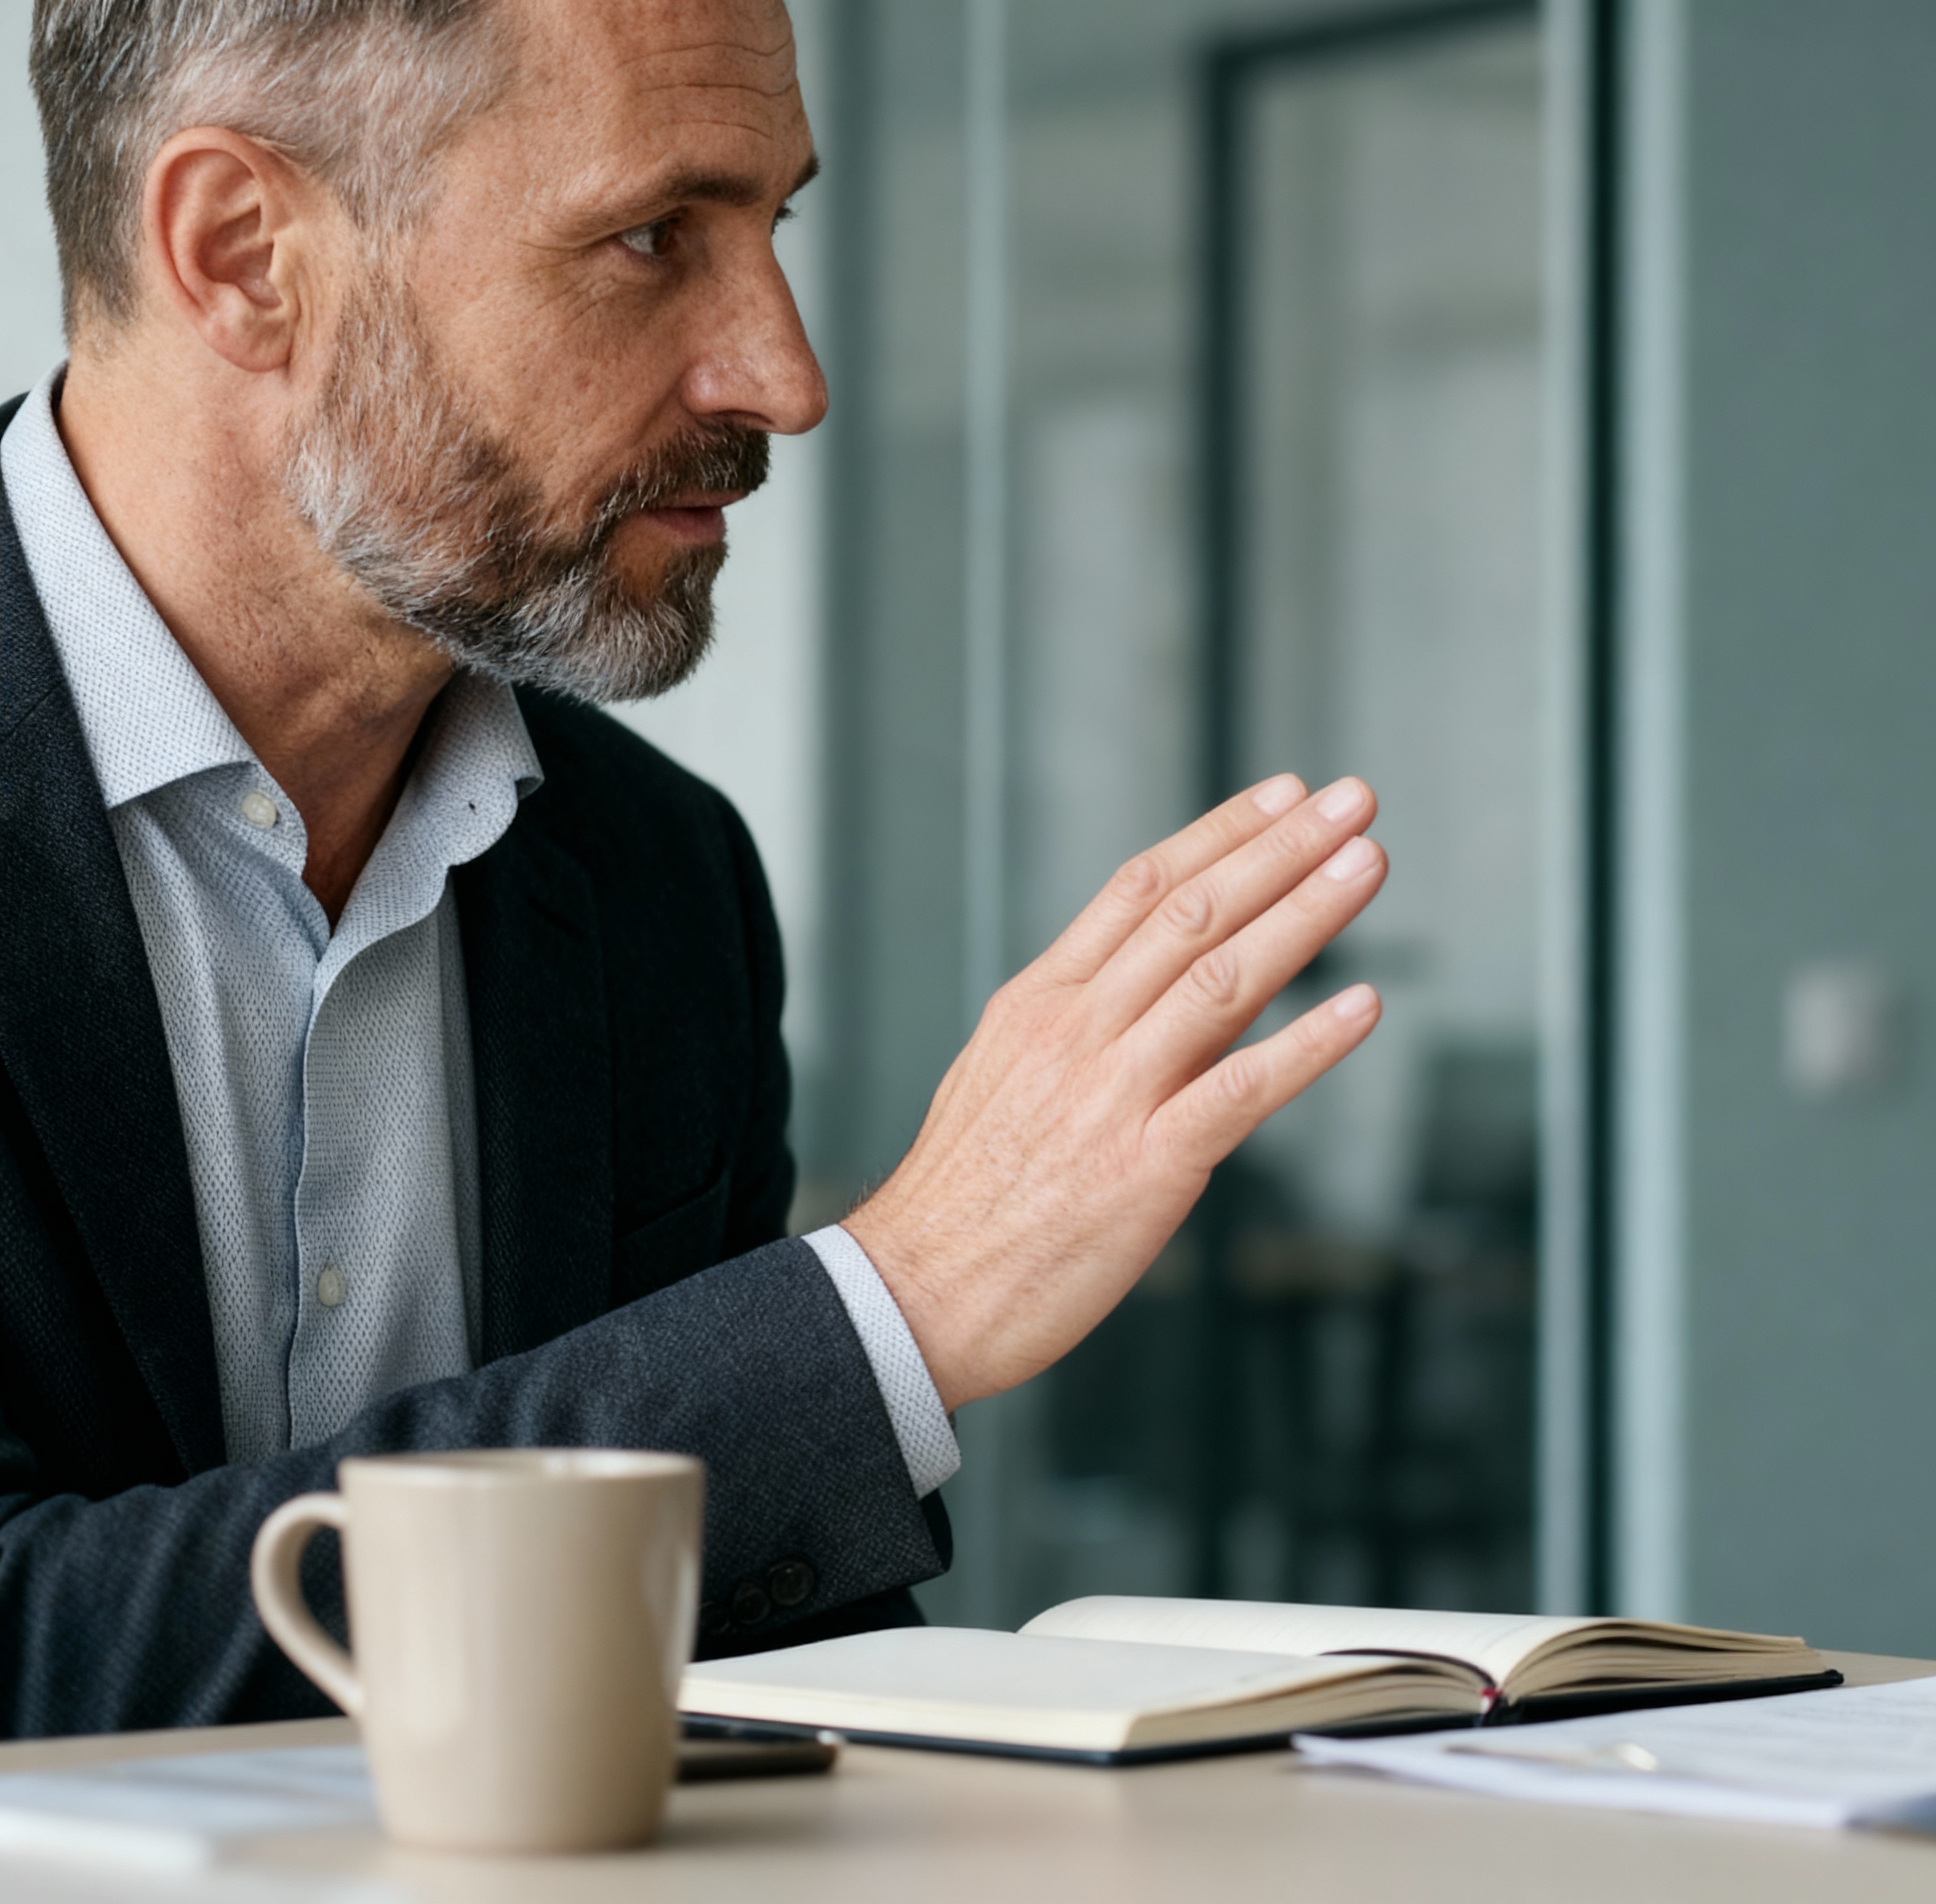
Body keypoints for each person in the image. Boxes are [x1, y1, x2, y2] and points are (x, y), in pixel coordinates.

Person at [0, 0, 1389, 1735]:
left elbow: (752, 1669)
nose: (787, 379)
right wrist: (881, 1314)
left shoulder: (662, 881)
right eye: (652, 237)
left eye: (771, 227)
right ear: (242, 255)